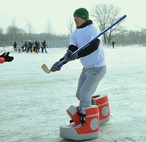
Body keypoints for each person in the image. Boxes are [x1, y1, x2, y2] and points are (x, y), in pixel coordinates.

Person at [51, 8, 106, 140]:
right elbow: (72, 49)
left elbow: (93, 46)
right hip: (86, 68)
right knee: (79, 94)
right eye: (74, 16)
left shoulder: (93, 29)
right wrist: (61, 62)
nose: (75, 18)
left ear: (84, 17)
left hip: (97, 67)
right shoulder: (75, 32)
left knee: (85, 94)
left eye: (78, 16)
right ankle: (96, 111)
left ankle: (87, 124)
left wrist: (77, 55)